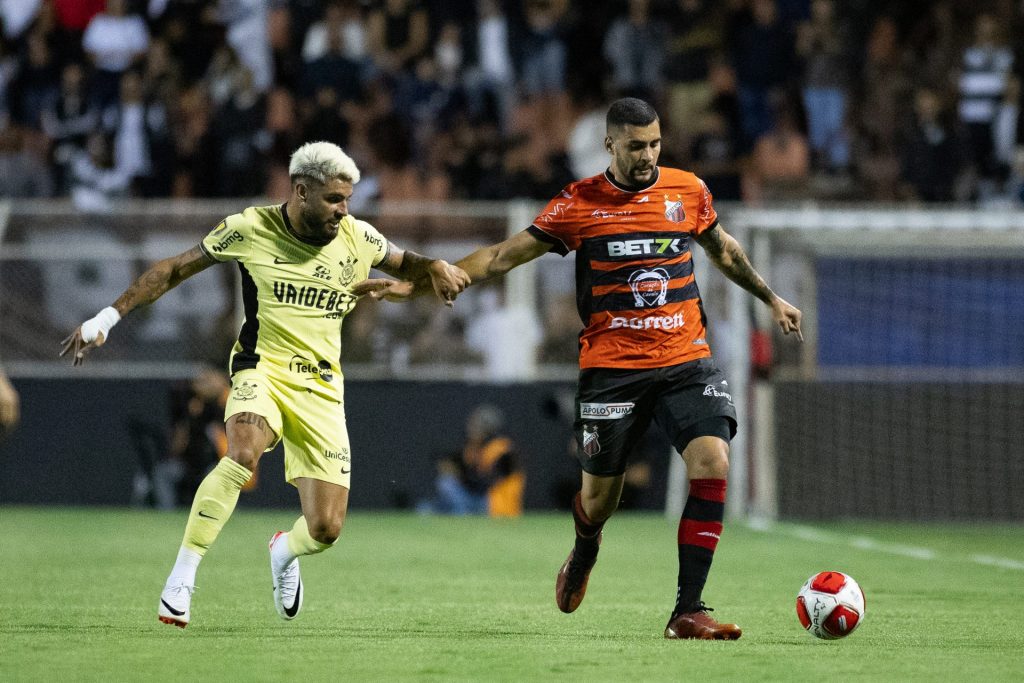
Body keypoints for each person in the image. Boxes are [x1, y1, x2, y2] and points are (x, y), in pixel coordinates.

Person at [357, 98, 802, 640]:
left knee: (712, 460)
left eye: (655, 143)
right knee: (599, 501)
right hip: (611, 370)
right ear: (610, 145)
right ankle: (585, 550)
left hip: (685, 358)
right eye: (636, 146)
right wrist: (418, 284)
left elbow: (724, 250)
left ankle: (689, 609)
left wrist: (771, 297)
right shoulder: (578, 203)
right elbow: (502, 256)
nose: (648, 155)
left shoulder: (687, 191)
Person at [60, 141, 470, 628]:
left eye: (348, 199)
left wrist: (436, 266)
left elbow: (411, 265)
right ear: (301, 191)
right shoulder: (250, 228)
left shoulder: (359, 238)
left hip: (322, 386)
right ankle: (182, 576)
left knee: (325, 529)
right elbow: (172, 269)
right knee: (243, 453)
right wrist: (108, 316)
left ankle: (284, 551)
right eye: (335, 199)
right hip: (262, 367)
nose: (344, 209)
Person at [418, 404, 524, 517]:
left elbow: (488, 483)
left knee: (447, 483)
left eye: (476, 425)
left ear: (487, 428)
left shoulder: (500, 448)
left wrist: (461, 476)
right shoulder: (473, 448)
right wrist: (457, 472)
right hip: (478, 498)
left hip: (495, 504)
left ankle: (462, 515)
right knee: (426, 506)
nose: (471, 428)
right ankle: (454, 513)